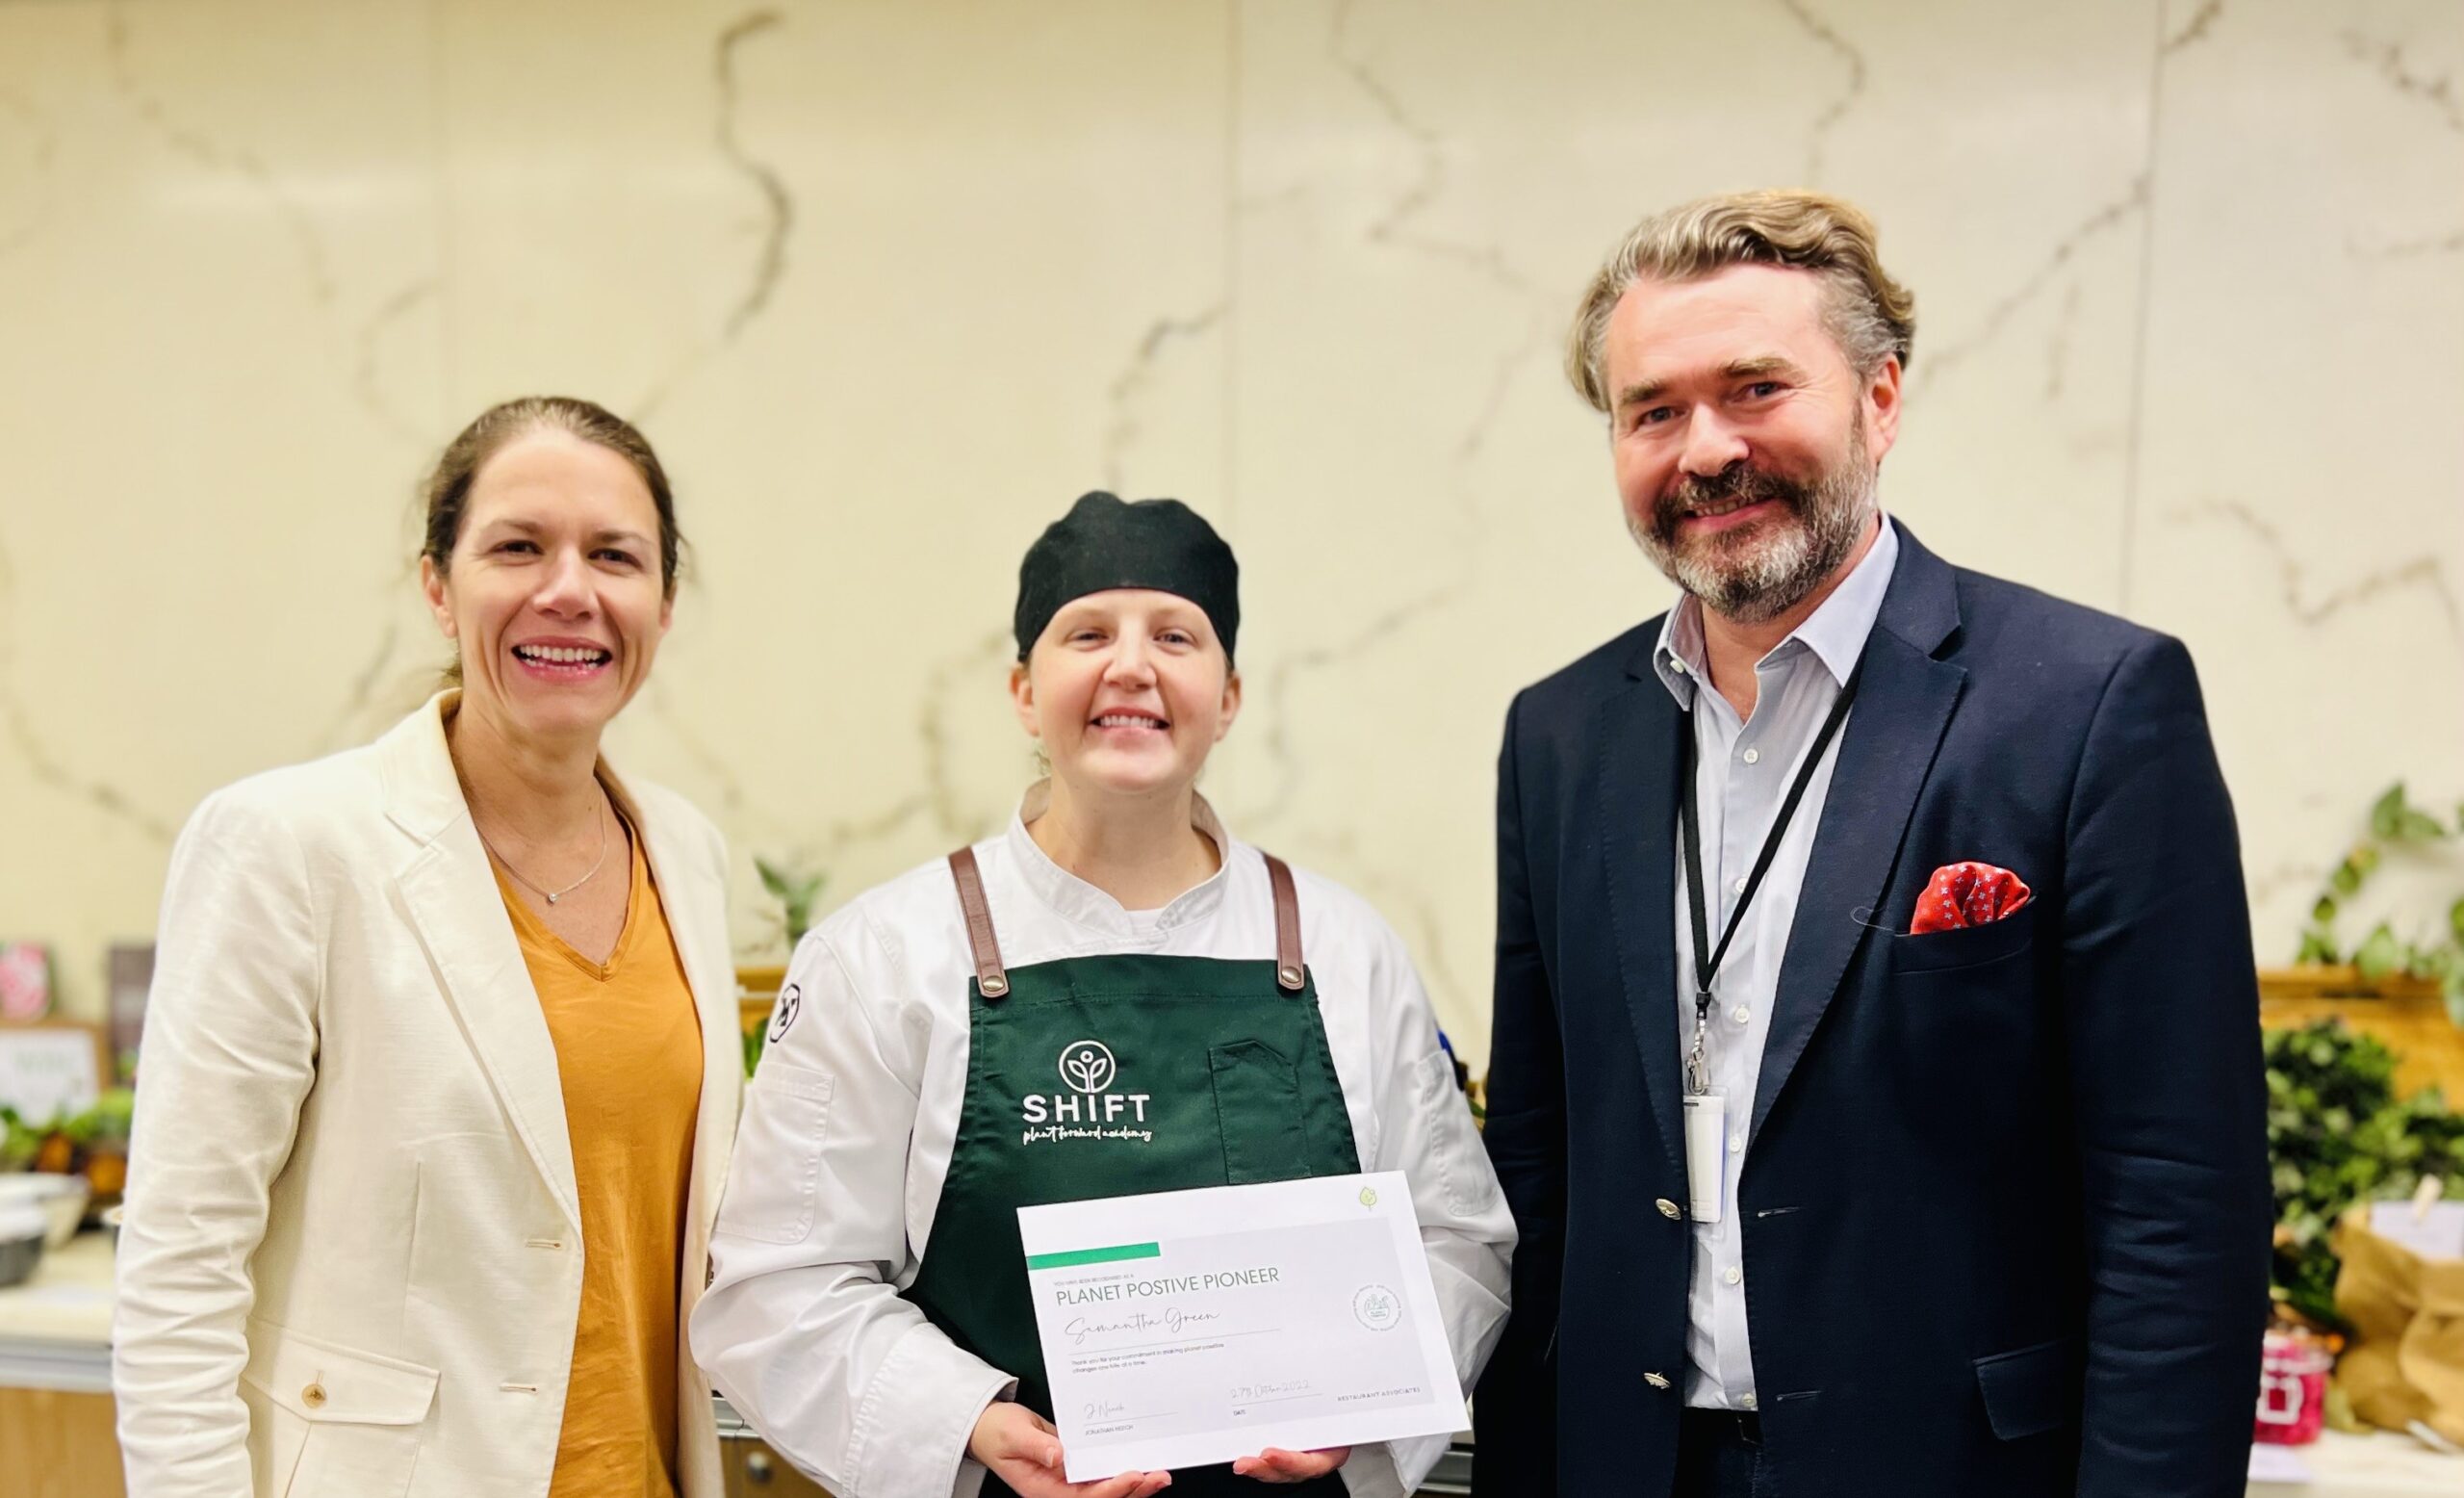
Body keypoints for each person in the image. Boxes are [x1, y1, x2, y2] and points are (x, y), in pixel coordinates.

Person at [1472, 192, 2272, 1497]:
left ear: (1881, 400)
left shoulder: (2091, 706)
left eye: (1756, 388)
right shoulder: (1561, 735)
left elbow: (2180, 1207)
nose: (1706, 449)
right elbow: (1538, 1172)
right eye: (1653, 410)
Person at [694, 492, 1513, 1498]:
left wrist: (1360, 1403)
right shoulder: (883, 956)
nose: (1131, 665)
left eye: (1176, 634)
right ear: (1023, 690)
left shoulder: (1348, 950)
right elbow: (780, 1284)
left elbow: (1454, 1242)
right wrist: (973, 1423)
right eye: (1087, 632)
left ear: (1230, 695)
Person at [115, 397, 743, 1497]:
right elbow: (178, 1273)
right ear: (439, 585)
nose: (569, 589)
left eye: (614, 555)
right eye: (516, 545)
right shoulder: (290, 844)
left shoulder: (686, 854)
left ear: (664, 601)